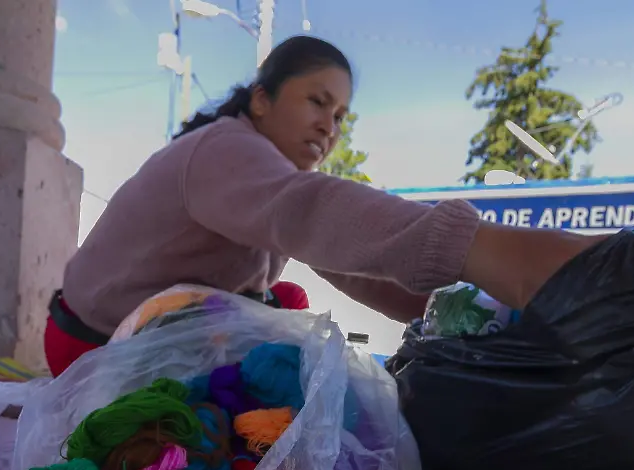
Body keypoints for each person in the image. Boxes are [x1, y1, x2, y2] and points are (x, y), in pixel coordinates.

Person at [47, 36, 600, 376]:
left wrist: (457, 312)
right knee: (292, 367)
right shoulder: (225, 149)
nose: (328, 127)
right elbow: (315, 212)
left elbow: (352, 264)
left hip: (154, 334)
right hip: (92, 349)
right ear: (261, 100)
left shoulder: (268, 176)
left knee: (287, 306)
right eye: (317, 101)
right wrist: (494, 253)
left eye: (339, 117)